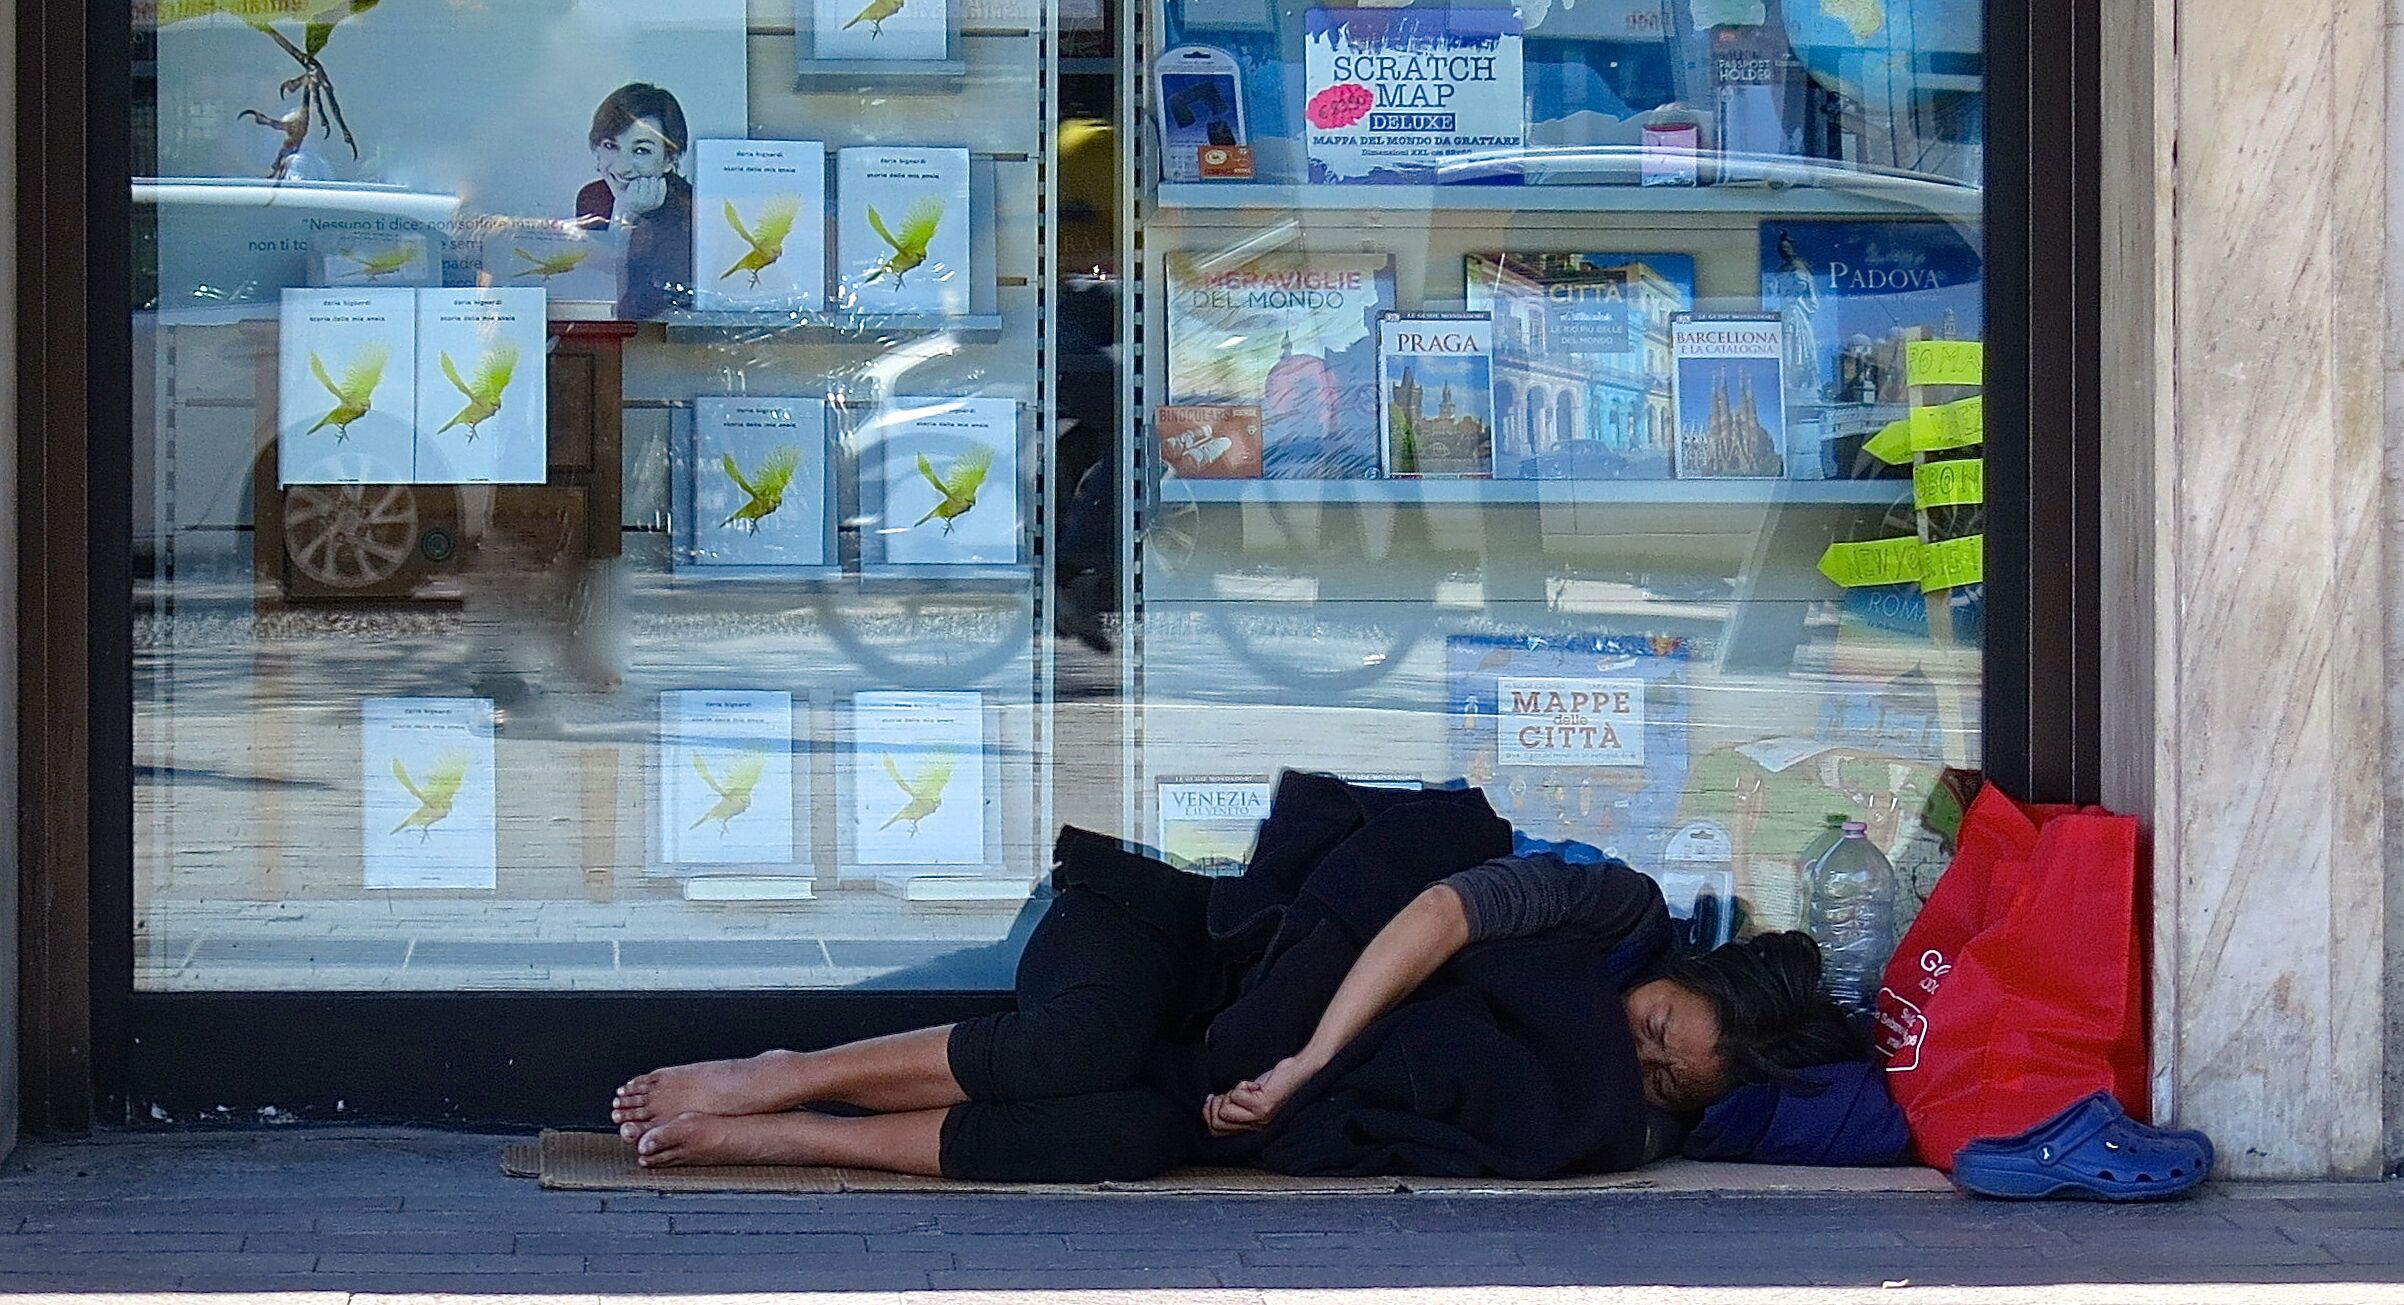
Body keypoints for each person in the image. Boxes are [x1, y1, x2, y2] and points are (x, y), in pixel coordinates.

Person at [609, 779, 1865, 1179]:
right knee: (1072, 1053)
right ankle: (780, 1073)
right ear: (1679, 971)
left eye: (1665, 1080)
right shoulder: (1608, 910)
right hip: (1165, 932)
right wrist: (1315, 1058)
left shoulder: (1627, 1112)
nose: (1633, 1060)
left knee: (1128, 1133)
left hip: (1200, 1053)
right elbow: (1436, 910)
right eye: (1653, 1029)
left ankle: (792, 1137)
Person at [575, 83, 695, 319]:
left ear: (669, 159)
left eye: (641, 151)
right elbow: (597, 295)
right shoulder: (594, 198)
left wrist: (625, 217)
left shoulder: (689, 209)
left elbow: (645, 308)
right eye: (611, 146)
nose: (622, 166)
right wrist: (624, 213)